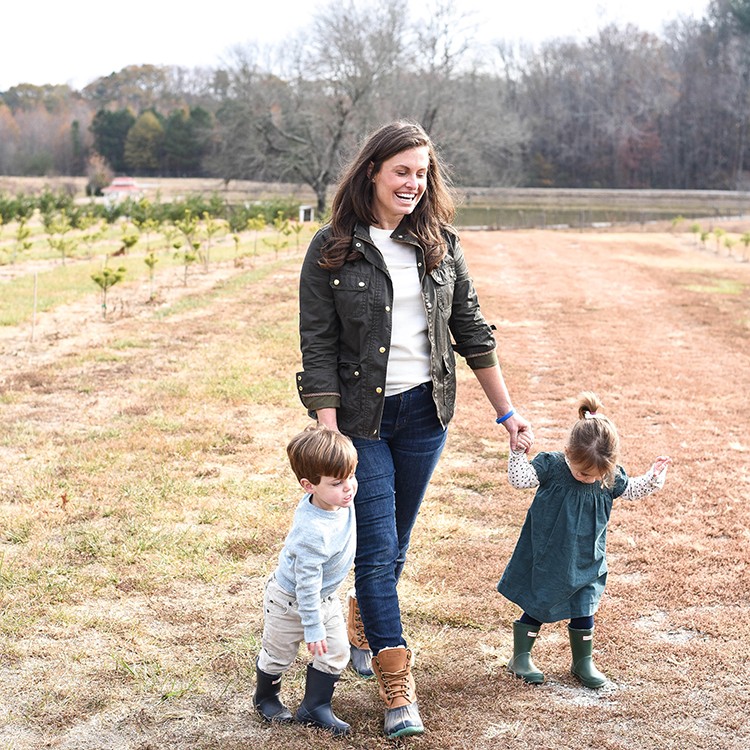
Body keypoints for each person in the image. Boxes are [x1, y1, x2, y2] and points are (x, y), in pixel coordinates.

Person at [296, 120, 532, 738]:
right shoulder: (332, 247)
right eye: (402, 170)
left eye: (422, 173)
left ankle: (365, 620)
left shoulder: (440, 244)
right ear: (373, 171)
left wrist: (507, 413)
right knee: (376, 552)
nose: (413, 183)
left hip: (425, 415)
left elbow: (472, 330)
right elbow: (317, 345)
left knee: (393, 543)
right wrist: (330, 433)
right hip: (362, 421)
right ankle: (397, 687)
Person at [497, 392, 670, 688]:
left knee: (584, 606)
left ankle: (582, 661)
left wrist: (653, 478)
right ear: (568, 452)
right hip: (549, 554)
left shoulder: (607, 476)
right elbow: (519, 479)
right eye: (583, 472)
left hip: (588, 558)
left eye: (596, 475)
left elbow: (631, 490)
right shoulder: (552, 466)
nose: (590, 479)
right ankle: (521, 657)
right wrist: (516, 453)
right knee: (540, 601)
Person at [253, 425, 358, 736]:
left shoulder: (339, 498)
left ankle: (315, 706)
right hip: (289, 601)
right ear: (308, 485)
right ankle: (266, 697)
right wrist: (312, 626)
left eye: (351, 476)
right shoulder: (311, 532)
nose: (349, 488)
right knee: (279, 654)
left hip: (324, 600)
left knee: (337, 651)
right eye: (338, 482)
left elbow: (344, 479)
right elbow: (306, 585)